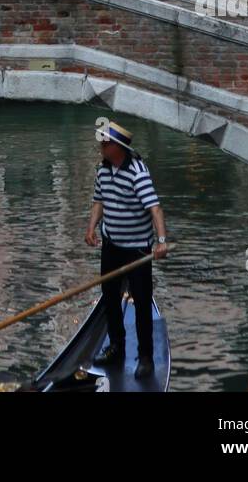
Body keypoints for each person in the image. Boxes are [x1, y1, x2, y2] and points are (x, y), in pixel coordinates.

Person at [84, 121, 169, 380]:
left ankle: (145, 358)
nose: (101, 146)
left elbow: (155, 208)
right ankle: (117, 348)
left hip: (137, 250)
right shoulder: (102, 171)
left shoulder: (137, 172)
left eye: (105, 143)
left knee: (142, 302)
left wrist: (162, 240)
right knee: (109, 297)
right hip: (111, 245)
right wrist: (91, 229)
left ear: (117, 147)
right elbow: (99, 201)